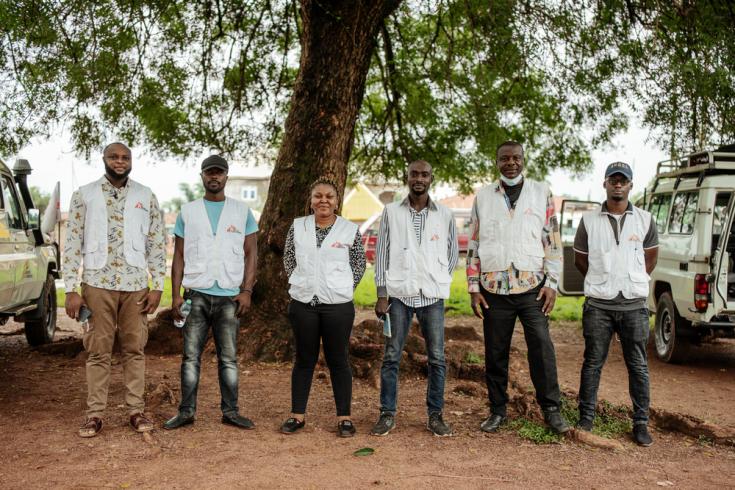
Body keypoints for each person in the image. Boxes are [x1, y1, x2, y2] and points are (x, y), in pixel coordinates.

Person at [64, 142, 166, 438]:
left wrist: (157, 285)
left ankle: (136, 410)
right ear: (104, 160)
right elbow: (72, 242)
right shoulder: (85, 194)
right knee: (98, 350)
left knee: (135, 349)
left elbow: (156, 242)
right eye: (114, 157)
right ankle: (95, 414)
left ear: (131, 161)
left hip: (135, 285)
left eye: (125, 157)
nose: (120, 161)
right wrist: (72, 288)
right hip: (97, 283)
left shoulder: (145, 195)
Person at [467, 140, 569, 434]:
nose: (510, 163)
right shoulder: (484, 196)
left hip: (532, 288)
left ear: (523, 160)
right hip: (493, 289)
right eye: (504, 158)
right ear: (496, 161)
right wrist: (473, 286)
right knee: (495, 352)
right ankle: (497, 410)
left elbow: (552, 239)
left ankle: (551, 409)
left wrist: (552, 283)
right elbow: (474, 242)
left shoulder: (541, 192)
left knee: (541, 348)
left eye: (516, 158)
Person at [164, 155, 258, 430]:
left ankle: (231, 412)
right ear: (202, 176)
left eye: (219, 173)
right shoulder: (188, 211)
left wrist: (247, 290)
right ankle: (186, 412)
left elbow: (251, 253)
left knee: (228, 357)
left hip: (230, 296)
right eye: (209, 173)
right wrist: (176, 295)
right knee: (190, 356)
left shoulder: (242, 212)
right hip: (196, 294)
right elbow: (179, 255)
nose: (214, 177)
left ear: (226, 177)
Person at [371, 160, 459, 437]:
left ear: (432, 178)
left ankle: (435, 415)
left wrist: (436, 277)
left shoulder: (444, 214)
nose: (418, 178)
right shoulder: (391, 212)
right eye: (414, 174)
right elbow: (382, 253)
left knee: (436, 357)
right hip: (398, 295)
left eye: (424, 174)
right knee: (392, 356)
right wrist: (382, 293)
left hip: (432, 295)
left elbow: (452, 253)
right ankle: (387, 413)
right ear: (407, 177)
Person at [574, 162, 658, 446]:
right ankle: (586, 418)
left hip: (634, 304)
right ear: (605, 184)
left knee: (638, 365)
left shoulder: (645, 219)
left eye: (623, 180)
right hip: (598, 304)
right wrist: (603, 281)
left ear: (631, 185)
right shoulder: (588, 221)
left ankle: (641, 423)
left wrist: (632, 280)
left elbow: (650, 258)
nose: (618, 184)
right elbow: (580, 260)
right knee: (593, 362)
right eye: (613, 180)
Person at [279, 177, 366, 437]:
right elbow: (289, 260)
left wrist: (341, 287)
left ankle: (344, 418)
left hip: (337, 306)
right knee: (304, 360)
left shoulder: (349, 230)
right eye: (318, 196)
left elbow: (359, 265)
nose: (323, 200)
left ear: (337, 202)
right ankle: (297, 415)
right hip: (304, 303)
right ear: (311, 200)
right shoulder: (298, 226)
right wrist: (303, 283)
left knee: (338, 360)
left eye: (329, 196)